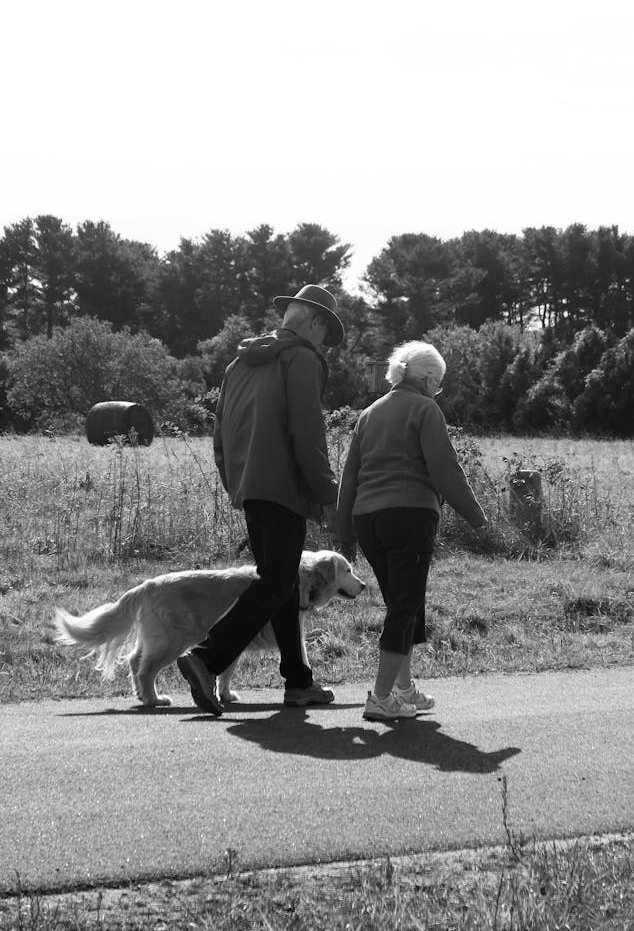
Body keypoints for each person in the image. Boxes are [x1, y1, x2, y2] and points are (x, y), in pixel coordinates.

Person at [177, 284, 345, 717]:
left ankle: (298, 681)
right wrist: (328, 493)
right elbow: (308, 433)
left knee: (283, 581)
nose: (326, 343)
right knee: (274, 581)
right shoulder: (302, 358)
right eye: (327, 333)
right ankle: (207, 658)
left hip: (251, 487)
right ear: (314, 321)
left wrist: (237, 483)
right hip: (285, 488)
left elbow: (220, 435)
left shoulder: (238, 364)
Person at [337, 340, 488, 722]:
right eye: (438, 385)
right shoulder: (424, 408)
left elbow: (349, 477)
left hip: (368, 520)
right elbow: (444, 469)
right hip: (409, 515)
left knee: (402, 603)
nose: (437, 392)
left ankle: (404, 691)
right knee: (405, 606)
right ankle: (381, 697)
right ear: (427, 379)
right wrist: (477, 517)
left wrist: (345, 536)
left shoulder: (369, 414)